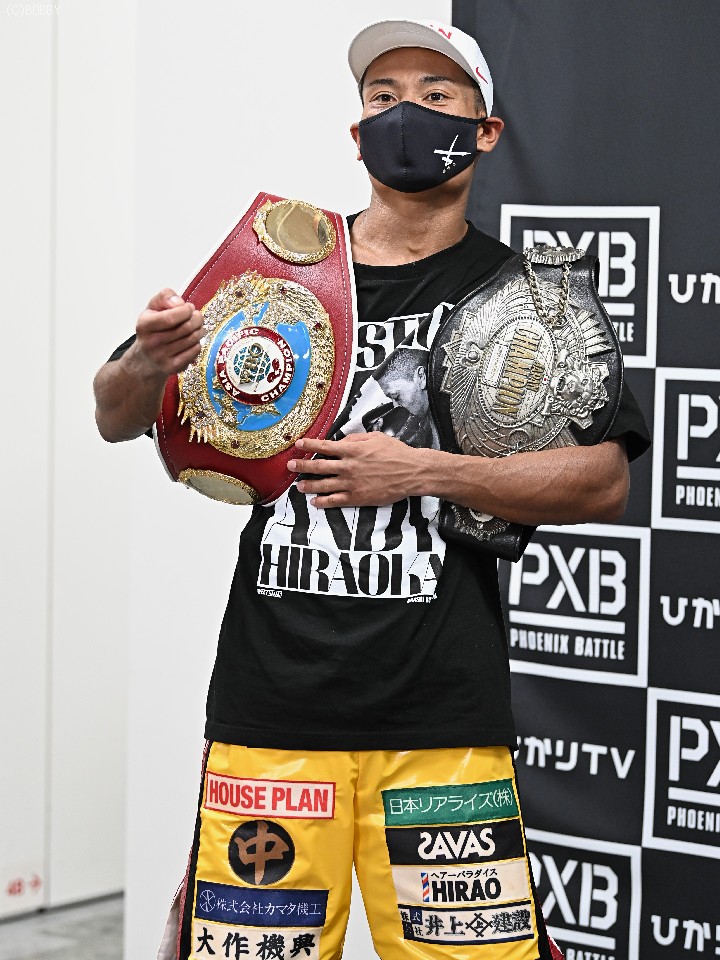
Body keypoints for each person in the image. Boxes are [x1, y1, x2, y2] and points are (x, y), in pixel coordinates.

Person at [94, 18, 650, 960]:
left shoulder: (528, 299)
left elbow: (603, 482)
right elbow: (115, 414)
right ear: (357, 136)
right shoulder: (280, 270)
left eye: (436, 97)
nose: (406, 114)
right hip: (270, 710)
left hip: (443, 719)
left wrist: (426, 469)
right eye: (383, 97)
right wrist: (150, 360)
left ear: (485, 132)